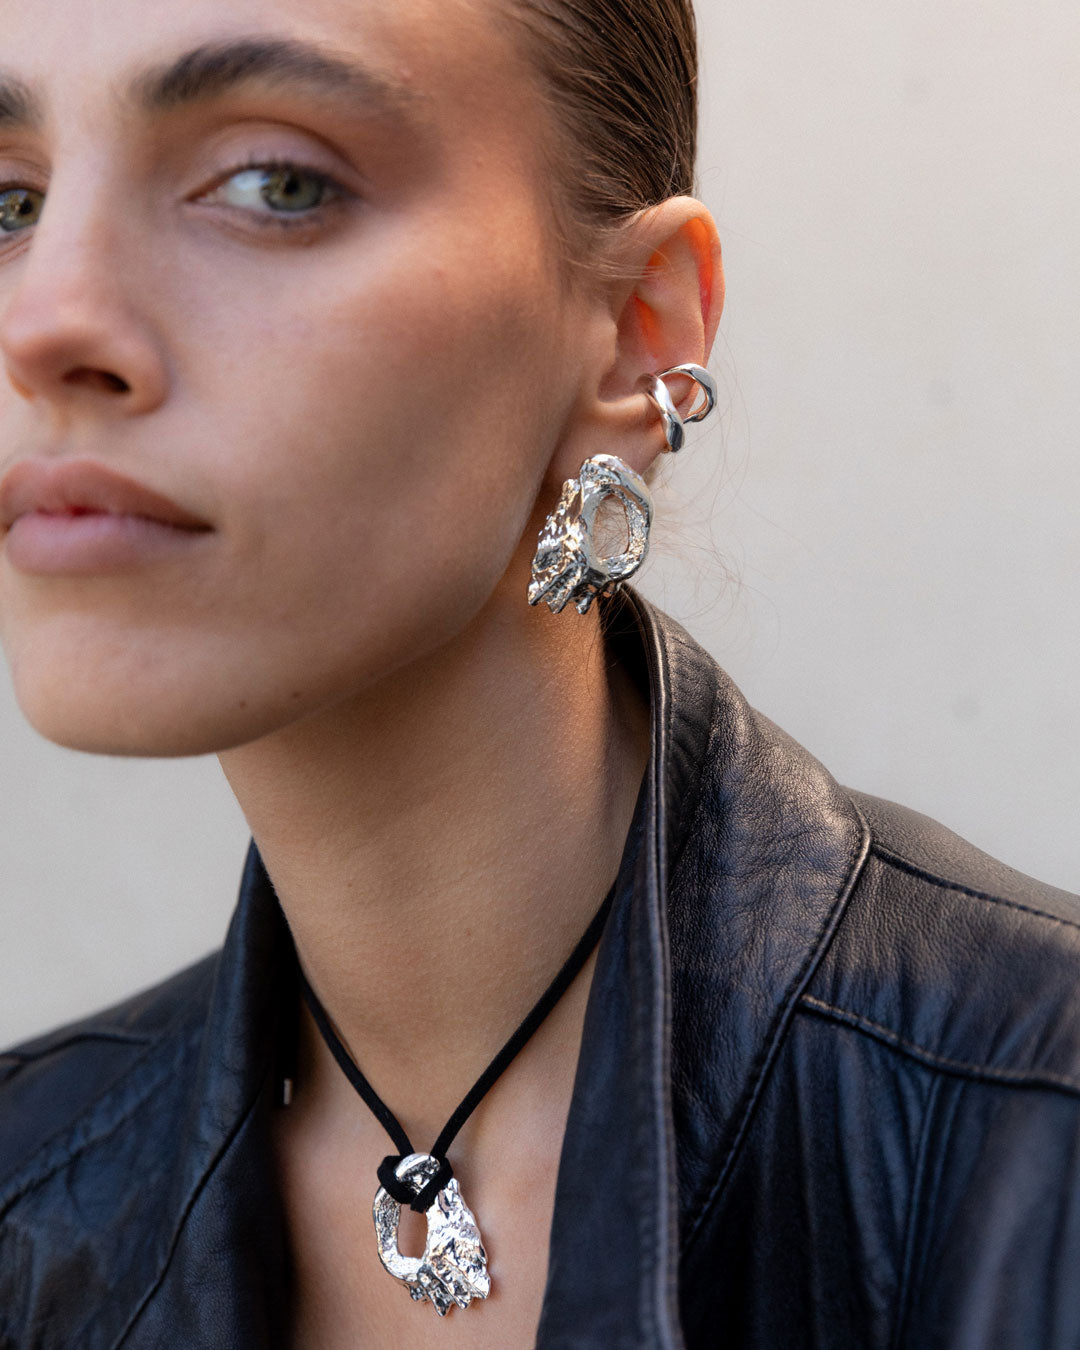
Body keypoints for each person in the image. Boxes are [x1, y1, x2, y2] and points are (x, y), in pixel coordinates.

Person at [1, 0, 1078, 1346]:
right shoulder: (25, 1187)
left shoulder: (1035, 1126)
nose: (44, 322)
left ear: (637, 331)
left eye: (276, 184)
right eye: (10, 204)